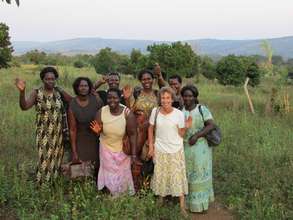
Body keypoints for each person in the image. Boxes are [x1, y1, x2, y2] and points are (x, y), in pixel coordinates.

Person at [15, 66, 72, 184]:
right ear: (43, 80)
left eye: (52, 79)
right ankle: (42, 185)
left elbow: (72, 101)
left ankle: (54, 182)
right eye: (47, 79)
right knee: (44, 159)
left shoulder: (58, 92)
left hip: (58, 132)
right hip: (43, 133)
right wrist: (22, 92)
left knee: (56, 158)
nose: (50, 81)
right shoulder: (37, 93)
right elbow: (24, 106)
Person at [148, 87, 191, 216]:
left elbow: (182, 134)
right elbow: (150, 129)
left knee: (177, 177)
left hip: (176, 150)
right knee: (161, 175)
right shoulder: (155, 112)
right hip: (160, 149)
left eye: (168, 98)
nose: (165, 100)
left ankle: (182, 207)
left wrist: (186, 127)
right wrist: (151, 146)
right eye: (163, 98)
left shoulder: (178, 114)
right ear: (159, 99)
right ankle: (160, 200)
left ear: (172, 99)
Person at [90, 88, 139, 196]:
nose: (112, 100)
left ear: (120, 97)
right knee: (109, 174)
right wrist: (97, 132)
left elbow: (133, 135)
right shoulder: (101, 112)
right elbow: (98, 132)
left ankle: (122, 196)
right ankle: (111, 195)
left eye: (115, 98)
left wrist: (134, 155)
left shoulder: (127, 113)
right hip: (106, 148)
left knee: (122, 174)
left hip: (122, 149)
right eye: (109, 98)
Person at [181, 85, 216, 213]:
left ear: (195, 97)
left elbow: (211, 125)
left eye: (190, 96)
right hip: (185, 147)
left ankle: (201, 204)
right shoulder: (181, 111)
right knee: (187, 174)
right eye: (185, 95)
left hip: (201, 148)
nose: (187, 98)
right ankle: (188, 203)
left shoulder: (202, 109)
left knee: (200, 173)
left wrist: (196, 135)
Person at [68, 77, 103, 173]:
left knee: (96, 167)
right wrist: (74, 151)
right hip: (80, 138)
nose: (83, 88)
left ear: (89, 88)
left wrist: (99, 132)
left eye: (86, 86)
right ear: (77, 88)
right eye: (81, 86)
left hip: (96, 137)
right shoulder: (73, 104)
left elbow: (103, 120)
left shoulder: (96, 100)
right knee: (80, 169)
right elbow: (72, 129)